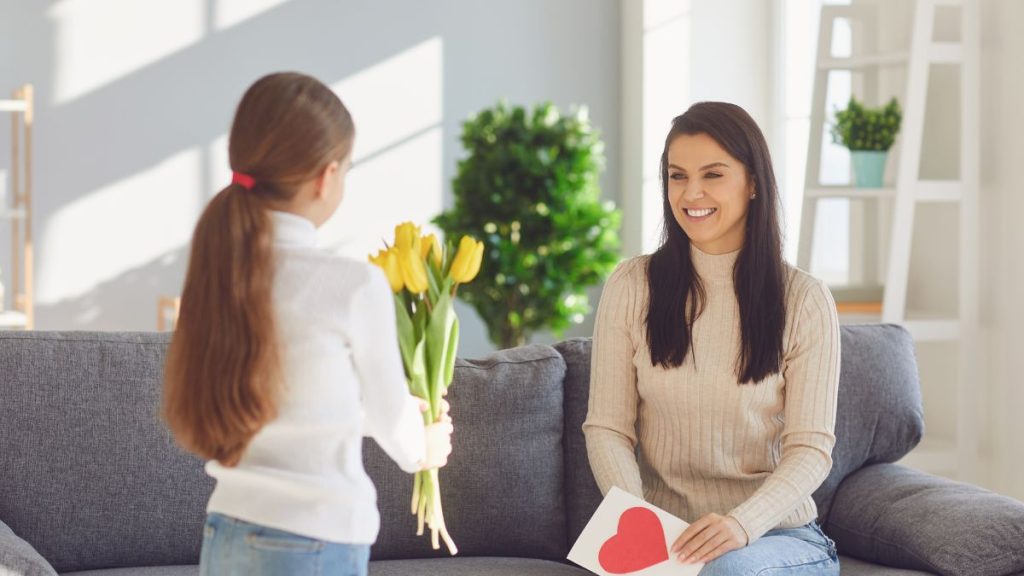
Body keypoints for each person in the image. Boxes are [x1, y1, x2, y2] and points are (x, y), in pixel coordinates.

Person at [162, 72, 453, 576]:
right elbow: (398, 434)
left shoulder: (218, 273)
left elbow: (286, 403)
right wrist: (424, 446)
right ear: (327, 176)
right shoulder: (352, 285)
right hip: (315, 541)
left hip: (225, 530)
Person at [583, 101, 840, 575]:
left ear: (754, 183)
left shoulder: (804, 299)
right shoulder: (632, 284)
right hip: (667, 533)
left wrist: (740, 525)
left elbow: (811, 450)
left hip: (775, 537)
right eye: (677, 175)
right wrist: (640, 522)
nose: (691, 192)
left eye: (713, 175)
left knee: (721, 572)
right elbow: (607, 429)